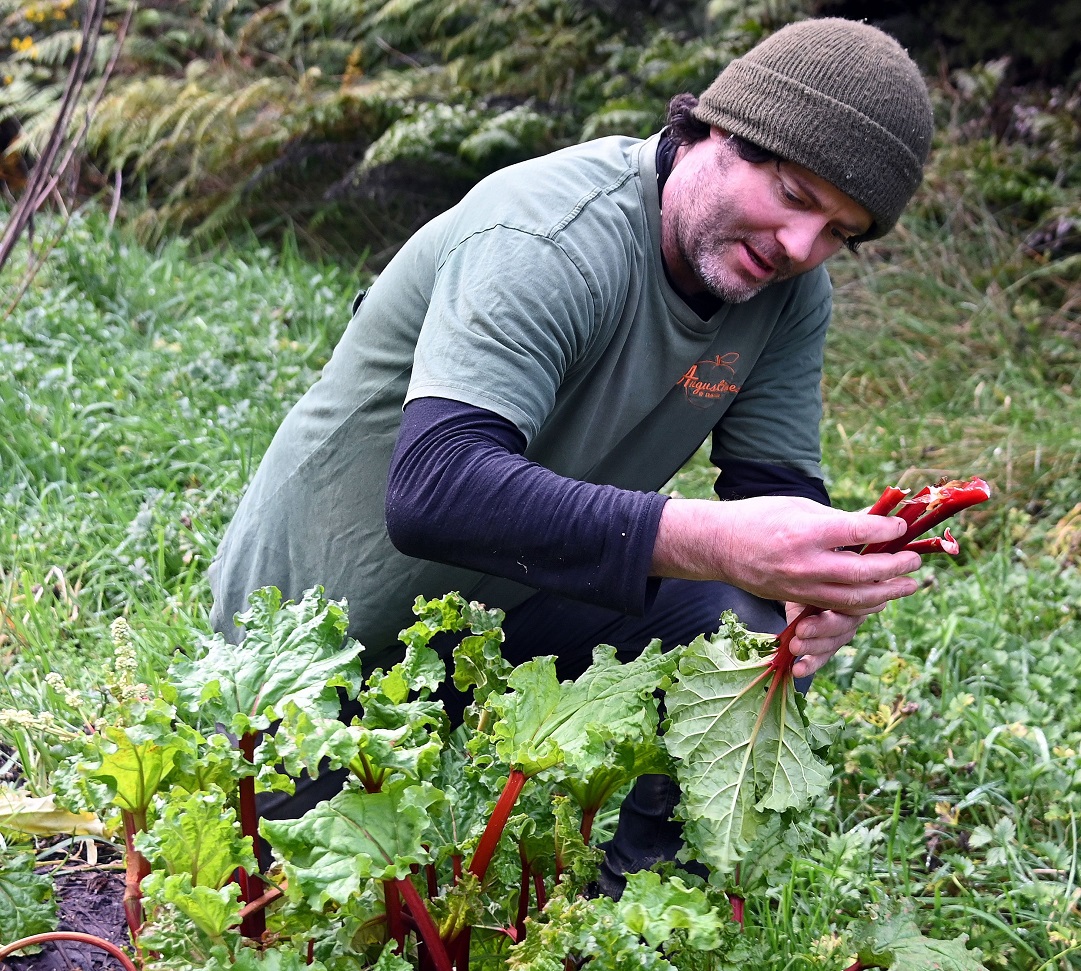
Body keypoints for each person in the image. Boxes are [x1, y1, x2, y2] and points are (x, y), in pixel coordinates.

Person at [209, 17, 934, 892]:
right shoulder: (547, 233)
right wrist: (718, 537)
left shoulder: (785, 294)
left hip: (513, 611)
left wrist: (812, 585)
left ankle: (631, 908)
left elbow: (775, 495)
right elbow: (435, 491)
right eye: (791, 193)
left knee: (743, 622)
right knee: (311, 904)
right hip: (314, 647)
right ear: (713, 129)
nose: (797, 247)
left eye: (836, 232)